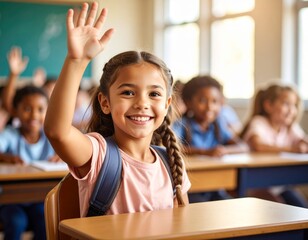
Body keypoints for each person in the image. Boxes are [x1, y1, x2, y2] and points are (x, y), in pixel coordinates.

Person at [44, 2, 191, 217]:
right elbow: (58, 132)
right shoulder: (98, 155)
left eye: (154, 94)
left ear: (167, 104)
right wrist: (76, 61)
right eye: (128, 93)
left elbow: (183, 225)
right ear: (105, 102)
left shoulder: (171, 163)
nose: (142, 103)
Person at [172, 75, 248, 203]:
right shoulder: (182, 125)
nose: (209, 107)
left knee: (232, 205)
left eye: (215, 101)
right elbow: (174, 147)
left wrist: (224, 150)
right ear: (188, 102)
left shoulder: (218, 125)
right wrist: (204, 152)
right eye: (202, 101)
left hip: (216, 187)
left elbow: (243, 146)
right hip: (191, 188)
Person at [0, 85, 60, 240]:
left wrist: (63, 155)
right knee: (16, 221)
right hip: (11, 200)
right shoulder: (11, 134)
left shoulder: (50, 135)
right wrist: (7, 157)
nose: (34, 115)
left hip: (40, 198)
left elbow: (69, 149)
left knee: (45, 220)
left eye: (40, 109)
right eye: (27, 109)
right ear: (15, 111)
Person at [240, 83, 308, 207]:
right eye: (286, 104)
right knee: (281, 210)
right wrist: (292, 149)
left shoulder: (290, 127)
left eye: (294, 105)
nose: (291, 110)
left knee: (302, 208)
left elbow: (303, 140)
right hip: (255, 185)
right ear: (268, 106)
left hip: (280, 185)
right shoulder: (259, 122)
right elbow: (258, 145)